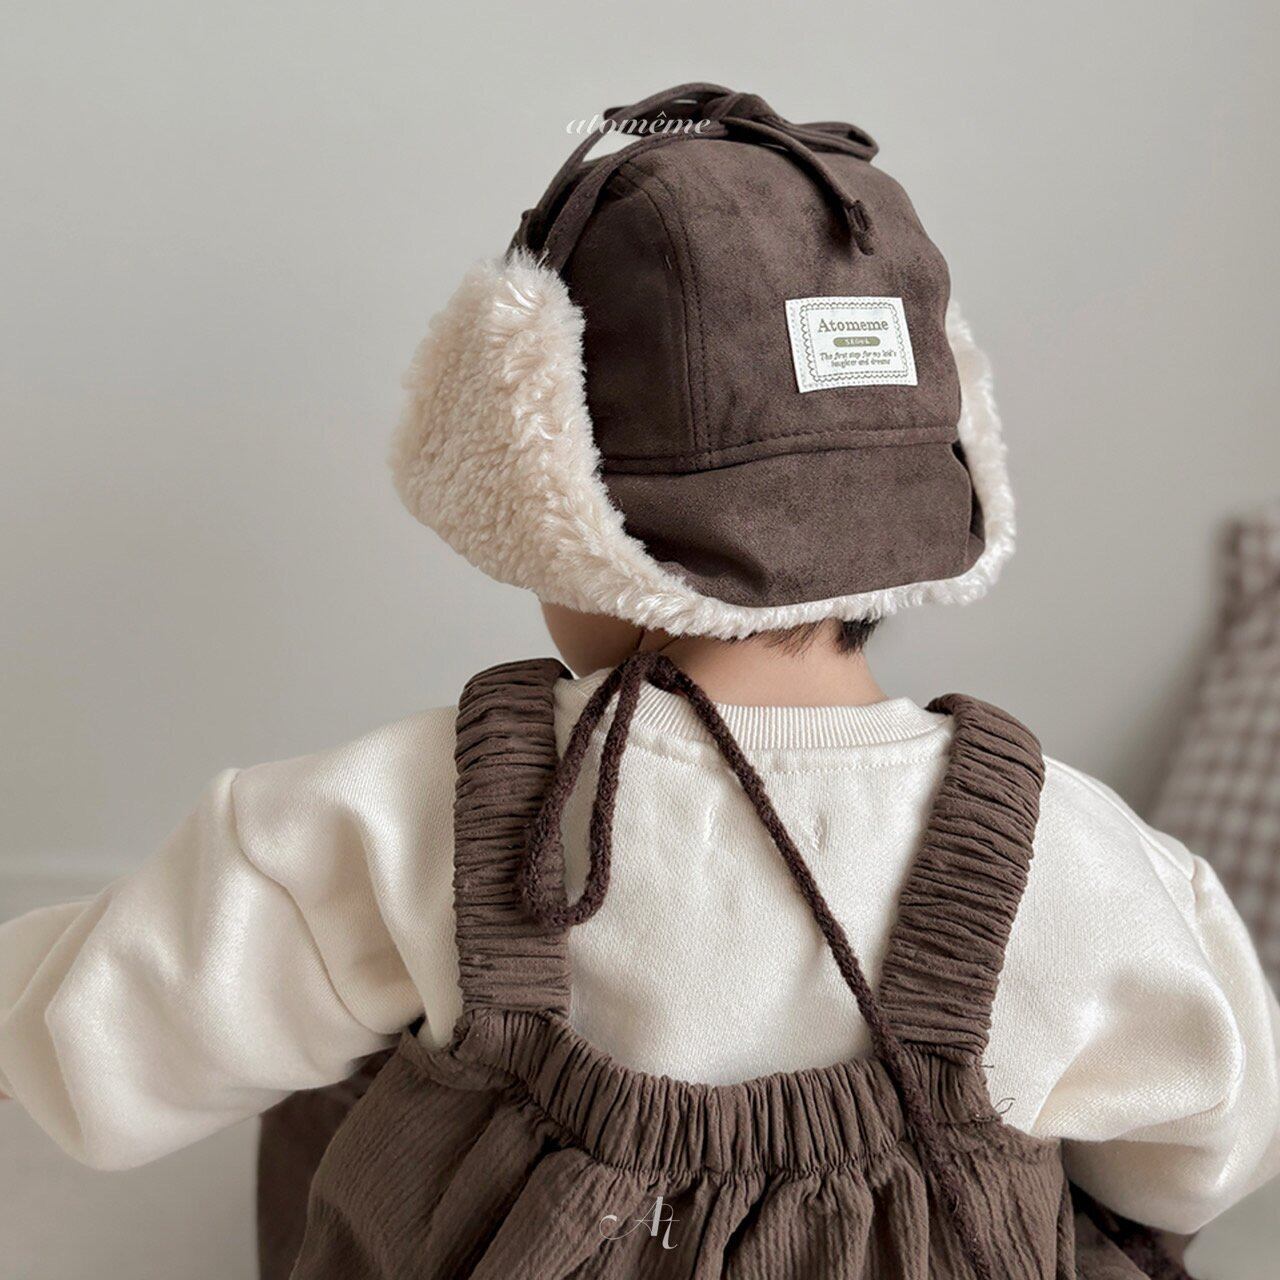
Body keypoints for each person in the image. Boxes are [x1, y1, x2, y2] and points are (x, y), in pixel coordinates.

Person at [2, 82, 1276, 1278]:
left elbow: (109, 1029)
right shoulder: (1078, 856)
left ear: (548, 490)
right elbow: (1197, 1157)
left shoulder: (425, 807)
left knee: (352, 1069)